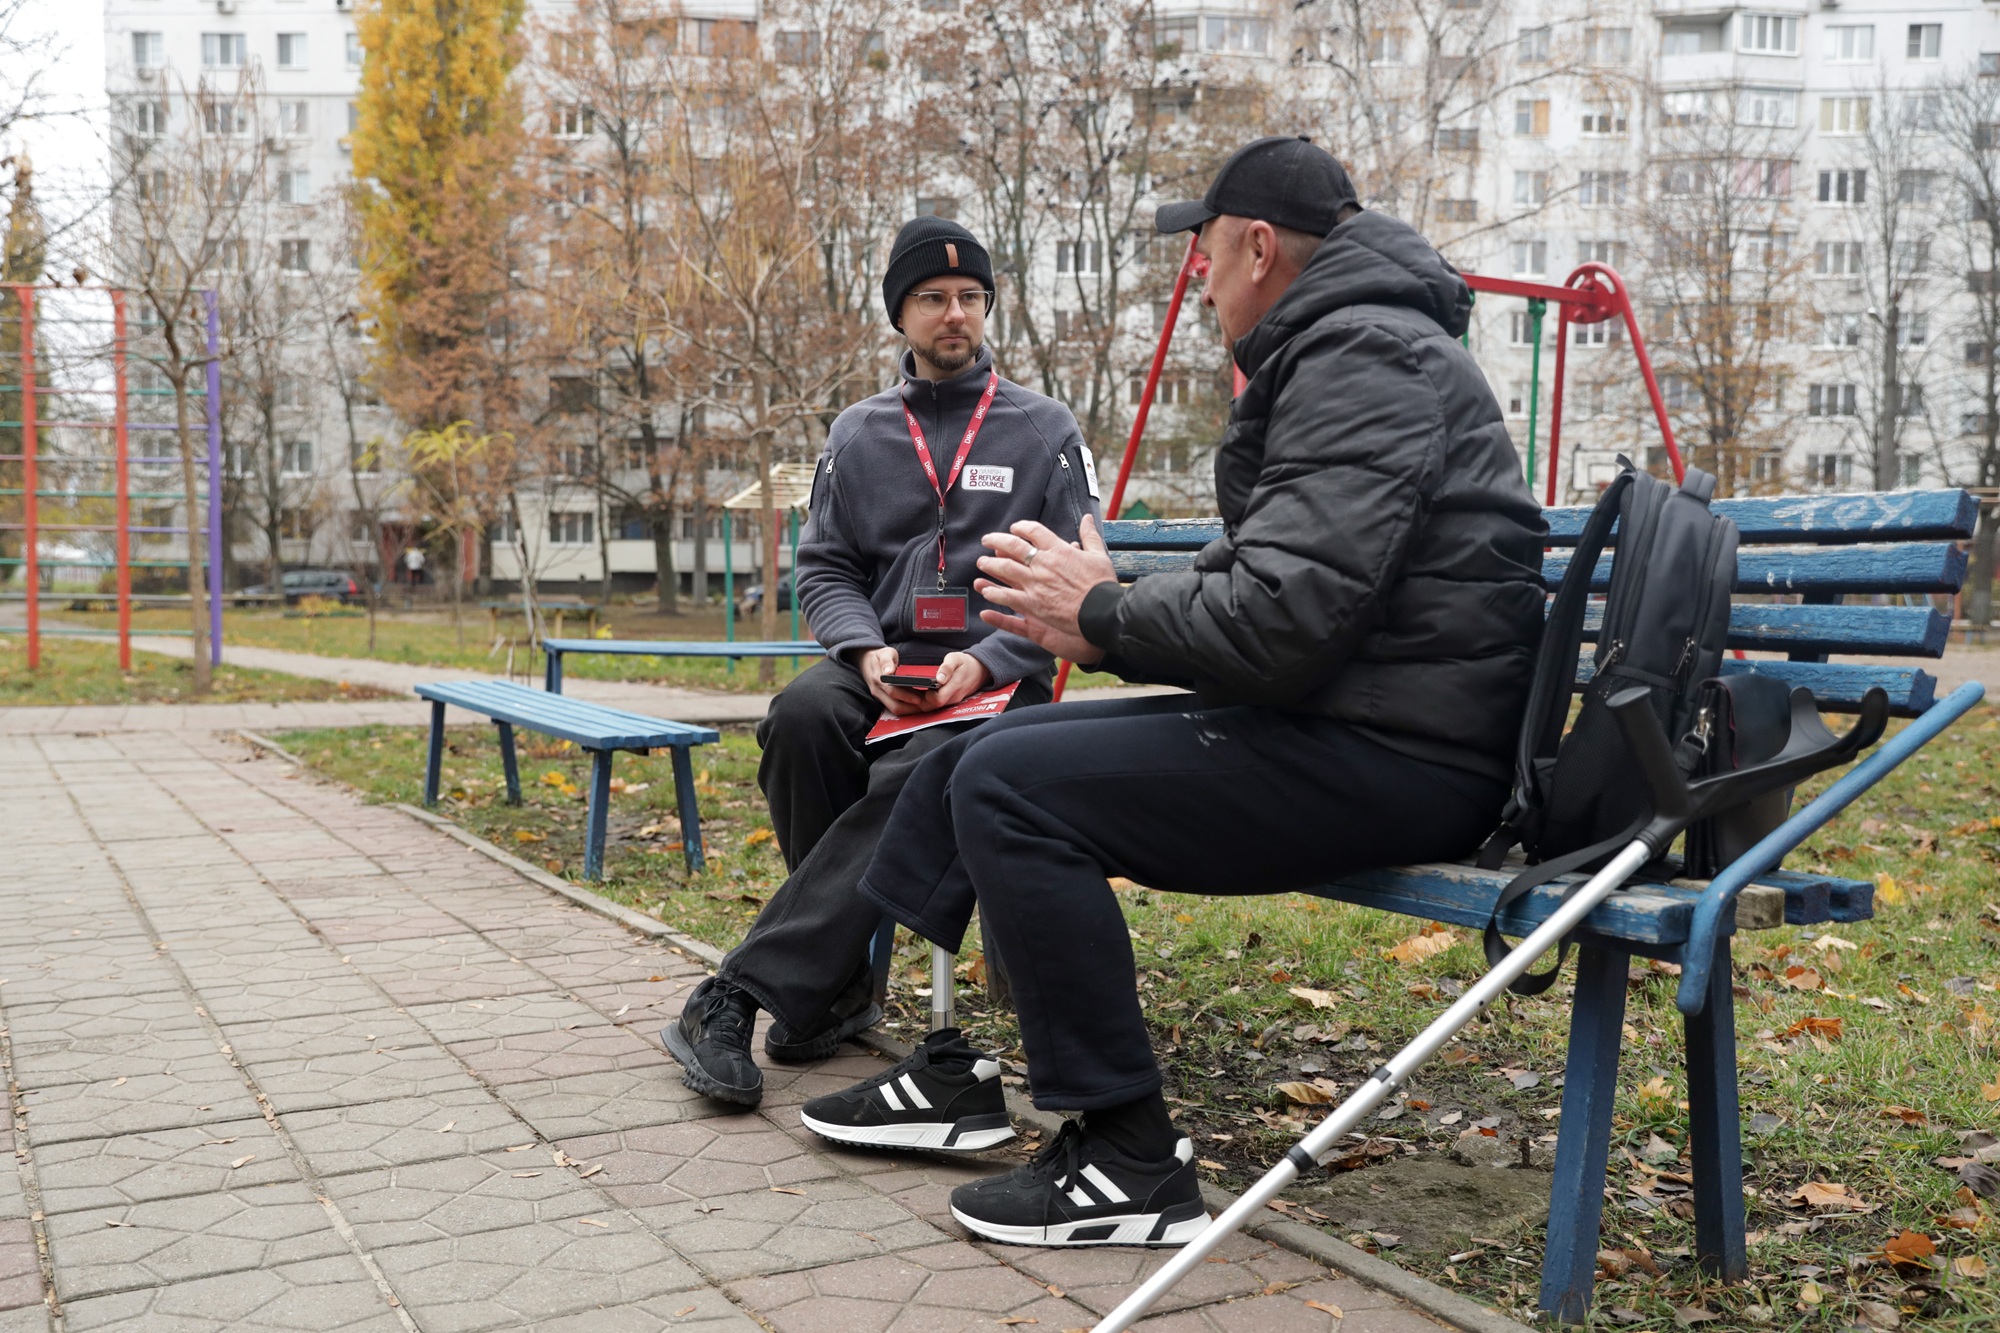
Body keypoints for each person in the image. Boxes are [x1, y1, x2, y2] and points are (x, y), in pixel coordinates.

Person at [801, 137, 1548, 1247]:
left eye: (1200, 253)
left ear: (1255, 246)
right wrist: (1112, 601)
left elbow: (1285, 618)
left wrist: (1100, 615)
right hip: (1352, 718)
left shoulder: (1363, 360)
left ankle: (1125, 1154)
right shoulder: (1345, 348)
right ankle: (952, 1067)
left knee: (1008, 776)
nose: (1195, 278)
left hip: (1403, 756)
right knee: (969, 757)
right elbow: (1283, 580)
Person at [664, 216, 1101, 1113]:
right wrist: (864, 652)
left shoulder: (1042, 428)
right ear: (900, 314)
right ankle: (837, 984)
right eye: (934, 299)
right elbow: (825, 566)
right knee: (801, 715)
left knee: (929, 762)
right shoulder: (859, 434)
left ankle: (740, 991)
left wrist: (986, 662)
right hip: (889, 661)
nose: (956, 315)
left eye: (972, 298)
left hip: (999, 680)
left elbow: (1082, 573)